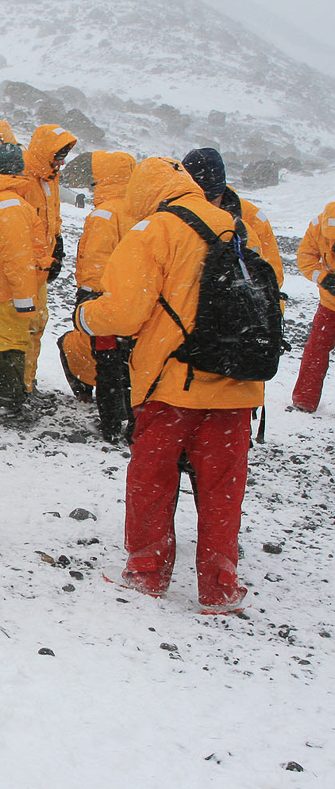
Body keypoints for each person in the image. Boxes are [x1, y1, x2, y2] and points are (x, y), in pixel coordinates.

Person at [75, 157, 282, 613]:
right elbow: (271, 289)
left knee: (153, 480)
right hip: (236, 382)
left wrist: (86, 316)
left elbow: (125, 312)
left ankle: (147, 573)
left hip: (174, 384)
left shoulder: (153, 231)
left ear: (144, 193)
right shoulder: (237, 224)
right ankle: (220, 587)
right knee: (223, 489)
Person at [57, 150, 137, 442]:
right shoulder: (142, 210)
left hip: (106, 299)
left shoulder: (105, 214)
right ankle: (132, 419)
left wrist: (88, 295)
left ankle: (111, 424)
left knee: (108, 363)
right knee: (131, 363)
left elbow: (96, 259)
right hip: (135, 298)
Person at [0, 143, 45, 420]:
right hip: (7, 287)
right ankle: (6, 404)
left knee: (0, 340)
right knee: (11, 343)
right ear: (17, 170)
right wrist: (26, 299)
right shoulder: (9, 204)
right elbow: (17, 256)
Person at [21, 123, 77, 396]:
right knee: (19, 329)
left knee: (36, 325)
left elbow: (51, 220)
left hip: (41, 268)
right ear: (45, 152)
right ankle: (17, 387)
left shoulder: (49, 180)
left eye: (63, 156)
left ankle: (27, 384)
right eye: (57, 155)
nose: (61, 161)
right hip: (23, 269)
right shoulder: (23, 179)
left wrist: (57, 247)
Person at [291, 200, 335, 412]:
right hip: (330, 304)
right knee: (316, 351)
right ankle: (304, 400)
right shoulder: (318, 226)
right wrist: (325, 278)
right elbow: (306, 257)